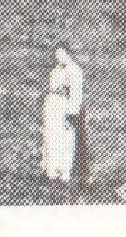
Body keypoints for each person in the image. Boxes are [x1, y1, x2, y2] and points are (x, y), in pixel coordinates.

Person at [42, 46, 85, 197]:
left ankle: (64, 176)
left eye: (62, 54)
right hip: (52, 105)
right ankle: (51, 174)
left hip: (63, 106)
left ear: (69, 54)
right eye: (57, 55)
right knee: (50, 138)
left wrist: (70, 114)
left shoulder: (74, 70)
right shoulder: (56, 70)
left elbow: (76, 94)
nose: (59, 57)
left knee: (64, 140)